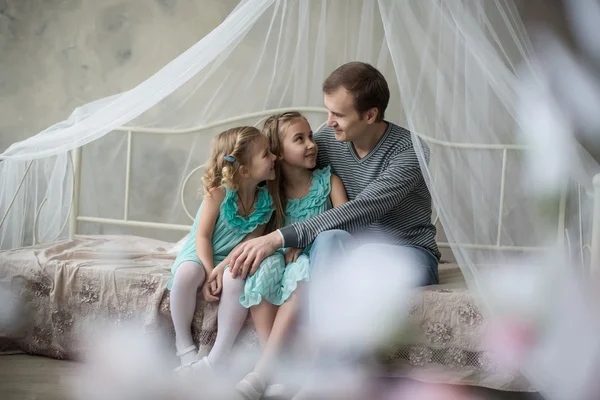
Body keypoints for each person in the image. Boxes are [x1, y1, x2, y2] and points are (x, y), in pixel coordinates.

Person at [229, 61, 440, 290]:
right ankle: (321, 323)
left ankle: (329, 321)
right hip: (349, 247)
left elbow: (364, 208)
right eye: (328, 111)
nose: (329, 122)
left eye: (338, 114)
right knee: (327, 239)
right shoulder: (326, 142)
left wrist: (281, 237)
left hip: (409, 252)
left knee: (361, 256)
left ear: (370, 115)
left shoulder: (409, 150)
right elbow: (280, 170)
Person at [202, 112, 348, 400]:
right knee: (260, 272)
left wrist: (306, 236)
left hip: (311, 259)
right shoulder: (271, 191)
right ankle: (278, 366)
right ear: (278, 154)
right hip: (278, 257)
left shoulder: (328, 181)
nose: (311, 144)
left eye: (310, 136)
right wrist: (221, 265)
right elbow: (255, 239)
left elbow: (346, 226)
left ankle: (263, 369)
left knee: (298, 275)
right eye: (300, 139)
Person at [167, 126, 276, 374]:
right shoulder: (218, 194)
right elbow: (202, 236)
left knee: (235, 276)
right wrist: (209, 270)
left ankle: (218, 355)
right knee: (186, 274)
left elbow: (247, 245)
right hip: (201, 252)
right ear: (245, 170)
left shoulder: (265, 201)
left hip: (229, 257)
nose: (274, 158)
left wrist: (221, 269)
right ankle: (183, 344)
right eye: (267, 154)